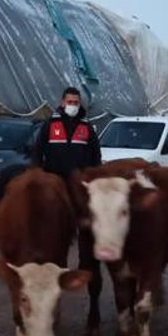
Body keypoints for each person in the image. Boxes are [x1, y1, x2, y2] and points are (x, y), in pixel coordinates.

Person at [30, 86, 104, 307]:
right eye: (69, 102)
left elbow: (95, 158)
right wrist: (37, 174)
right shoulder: (50, 126)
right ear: (62, 103)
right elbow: (37, 151)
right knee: (50, 233)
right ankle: (51, 269)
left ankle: (86, 265)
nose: (73, 105)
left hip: (79, 189)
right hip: (55, 188)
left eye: (76, 102)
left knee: (88, 232)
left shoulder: (87, 129)